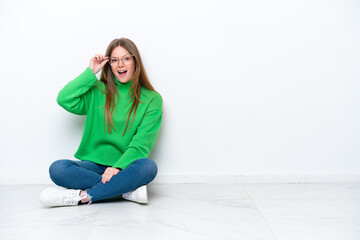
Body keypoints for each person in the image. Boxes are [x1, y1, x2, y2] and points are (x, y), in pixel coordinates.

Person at [40, 38, 163, 207]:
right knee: (58, 168)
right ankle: (126, 190)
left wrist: (118, 168)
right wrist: (91, 71)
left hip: (126, 167)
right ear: (109, 65)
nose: (120, 64)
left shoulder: (152, 99)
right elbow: (64, 99)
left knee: (148, 166)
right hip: (92, 165)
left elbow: (141, 143)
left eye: (126, 58)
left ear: (135, 61)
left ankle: (84, 196)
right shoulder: (97, 90)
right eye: (114, 60)